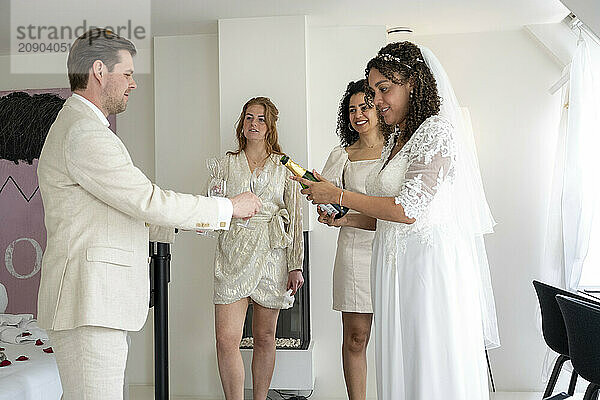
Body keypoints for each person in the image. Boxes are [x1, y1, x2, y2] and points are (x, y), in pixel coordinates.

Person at [36, 28, 261, 400]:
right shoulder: (84, 133)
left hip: (93, 305)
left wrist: (198, 217)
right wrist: (228, 208)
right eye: (127, 73)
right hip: (89, 303)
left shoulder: (83, 128)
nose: (133, 84)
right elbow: (147, 200)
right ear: (98, 70)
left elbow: (131, 208)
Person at [294, 41, 500, 399]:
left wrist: (337, 194)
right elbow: (384, 218)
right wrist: (346, 218)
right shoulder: (397, 140)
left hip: (426, 271)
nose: (376, 100)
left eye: (383, 89)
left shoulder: (436, 132)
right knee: (399, 361)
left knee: (426, 362)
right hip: (392, 268)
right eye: (373, 91)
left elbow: (408, 210)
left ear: (413, 84)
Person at [210, 97, 304, 400]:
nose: (254, 123)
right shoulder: (226, 163)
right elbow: (212, 206)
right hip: (233, 254)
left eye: (261, 119)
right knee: (226, 340)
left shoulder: (284, 165)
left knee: (265, 337)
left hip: (271, 256)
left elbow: (296, 217)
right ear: (242, 123)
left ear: (270, 125)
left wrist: (295, 264)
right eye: (249, 117)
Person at [318, 79, 384, 400]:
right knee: (356, 338)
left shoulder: (399, 150)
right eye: (352, 109)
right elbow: (327, 201)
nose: (358, 114)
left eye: (366, 106)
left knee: (398, 337)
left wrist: (352, 215)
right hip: (355, 253)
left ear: (380, 107)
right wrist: (329, 212)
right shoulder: (342, 156)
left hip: (392, 251)